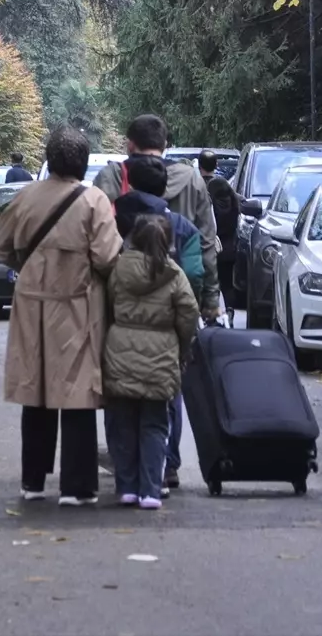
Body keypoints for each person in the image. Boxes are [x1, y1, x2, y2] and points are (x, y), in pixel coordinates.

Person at [0, 127, 122, 506]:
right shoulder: (94, 200)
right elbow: (108, 257)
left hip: (31, 304)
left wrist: (30, 265)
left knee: (37, 393)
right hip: (77, 306)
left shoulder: (26, 196)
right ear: (82, 163)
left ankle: (32, 482)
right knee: (77, 394)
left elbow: (1, 246)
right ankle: (76, 486)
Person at [92, 114, 219, 491]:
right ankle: (168, 462)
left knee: (120, 381)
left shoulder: (111, 179)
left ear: (129, 144)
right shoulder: (192, 179)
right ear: (165, 144)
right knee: (169, 382)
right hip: (174, 294)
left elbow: (96, 237)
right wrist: (208, 299)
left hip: (122, 294)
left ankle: (127, 464)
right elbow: (207, 241)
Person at [102, 214, 200, 510]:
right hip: (161, 353)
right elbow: (188, 313)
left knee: (124, 425)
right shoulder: (173, 274)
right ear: (167, 242)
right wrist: (182, 346)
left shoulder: (118, 268)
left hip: (121, 352)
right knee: (155, 425)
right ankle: (150, 490)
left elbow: (108, 304)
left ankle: (127, 487)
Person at [115, 156, 205, 296]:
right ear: (164, 191)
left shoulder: (112, 223)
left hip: (123, 311)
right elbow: (193, 274)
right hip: (171, 309)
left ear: (131, 186)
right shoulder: (184, 227)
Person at [199, 149, 241, 322]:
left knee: (204, 282)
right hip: (226, 245)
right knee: (226, 283)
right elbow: (237, 211)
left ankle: (206, 315)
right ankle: (229, 312)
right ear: (216, 165)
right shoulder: (225, 187)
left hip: (202, 245)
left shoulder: (196, 187)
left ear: (199, 166)